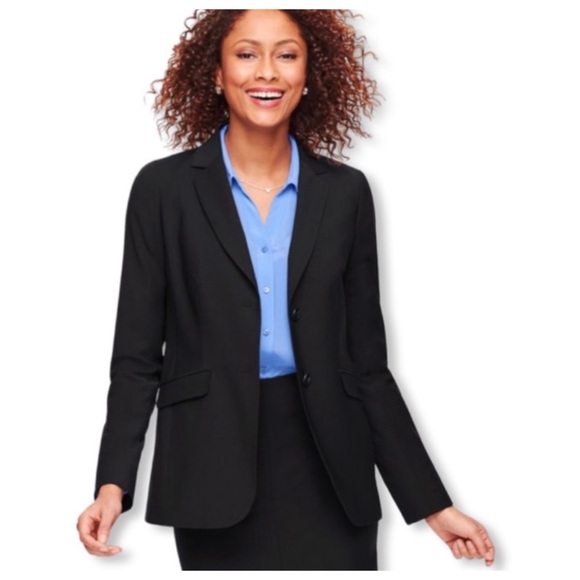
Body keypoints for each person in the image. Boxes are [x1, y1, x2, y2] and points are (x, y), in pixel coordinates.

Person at [77, 9, 495, 570]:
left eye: (287, 55)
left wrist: (433, 506)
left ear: (307, 74)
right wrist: (112, 485)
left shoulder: (345, 193)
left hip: (331, 466)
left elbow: (367, 368)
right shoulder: (163, 190)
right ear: (216, 72)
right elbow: (136, 358)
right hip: (210, 465)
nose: (267, 72)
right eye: (246, 54)